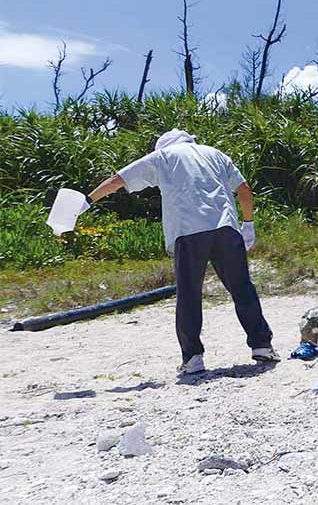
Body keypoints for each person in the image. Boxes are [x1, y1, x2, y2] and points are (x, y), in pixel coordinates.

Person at [87, 129, 278, 375]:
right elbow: (243, 188)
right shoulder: (215, 154)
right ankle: (262, 346)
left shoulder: (163, 157)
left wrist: (87, 201)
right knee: (242, 288)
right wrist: (248, 224)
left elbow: (117, 181)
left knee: (189, 294)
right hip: (226, 227)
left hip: (188, 231)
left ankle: (193, 358)